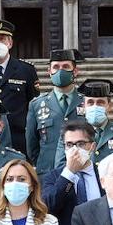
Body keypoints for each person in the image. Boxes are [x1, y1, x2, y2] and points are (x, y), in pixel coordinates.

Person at [0, 19, 40, 155]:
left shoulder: (26, 70)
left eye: (2, 39)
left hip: (19, 139)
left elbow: (33, 105)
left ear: (10, 43)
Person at [26, 48, 83, 178]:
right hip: (48, 174)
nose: (60, 71)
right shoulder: (36, 105)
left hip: (80, 173)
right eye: (56, 67)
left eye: (65, 66)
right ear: (49, 71)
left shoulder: (86, 101)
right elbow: (32, 145)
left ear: (75, 71)